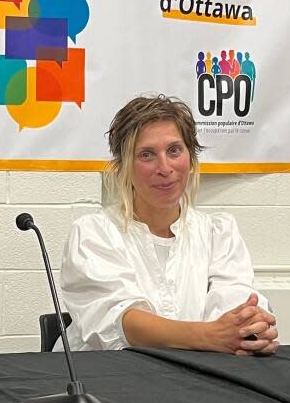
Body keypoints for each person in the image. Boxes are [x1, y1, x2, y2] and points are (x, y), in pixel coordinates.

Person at [60, 94, 278, 354]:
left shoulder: (218, 233)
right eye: (147, 155)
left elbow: (235, 302)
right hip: (106, 379)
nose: (164, 168)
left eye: (174, 150)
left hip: (192, 379)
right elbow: (123, 323)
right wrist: (211, 336)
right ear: (124, 167)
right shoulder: (94, 233)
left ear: (191, 156)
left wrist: (249, 330)